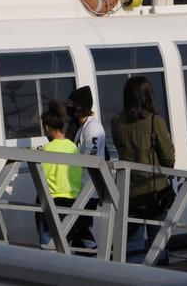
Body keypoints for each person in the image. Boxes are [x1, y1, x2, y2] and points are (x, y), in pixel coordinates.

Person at [112, 76, 175, 264]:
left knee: (132, 245)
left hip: (128, 193)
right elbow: (168, 159)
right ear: (148, 95)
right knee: (158, 245)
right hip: (154, 193)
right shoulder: (155, 120)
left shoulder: (116, 122)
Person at [35, 101, 82, 248]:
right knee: (65, 243)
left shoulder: (47, 148)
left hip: (52, 200)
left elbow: (43, 177)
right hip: (72, 201)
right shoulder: (73, 147)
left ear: (47, 128)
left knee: (47, 242)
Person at [67, 85, 105, 251]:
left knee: (81, 226)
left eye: (71, 104)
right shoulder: (78, 127)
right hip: (77, 187)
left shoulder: (93, 129)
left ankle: (93, 255)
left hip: (88, 188)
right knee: (77, 228)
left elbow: (91, 160)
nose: (68, 107)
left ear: (80, 107)